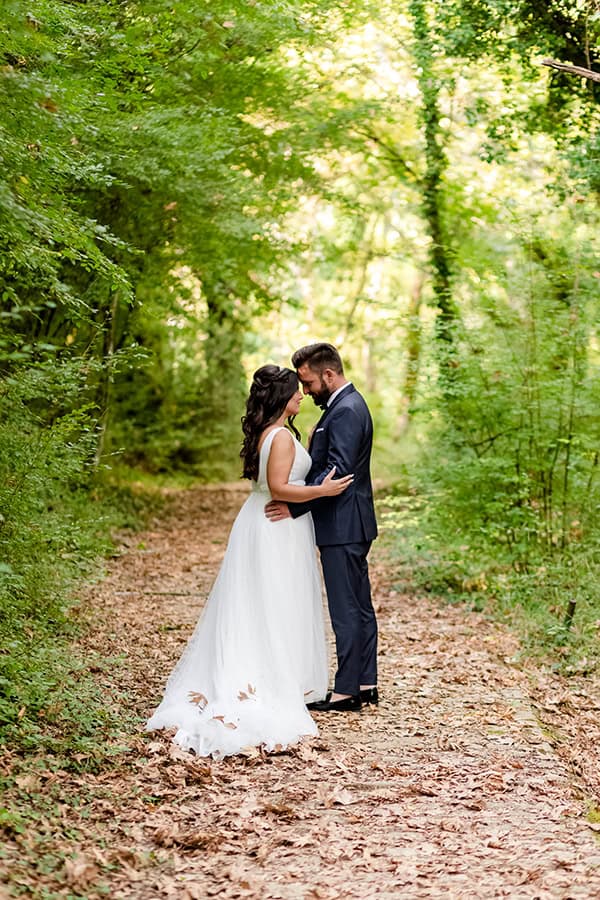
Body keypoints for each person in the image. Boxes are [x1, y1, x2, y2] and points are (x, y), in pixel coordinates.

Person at [146, 365, 353, 757]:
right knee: (274, 601)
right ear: (281, 398)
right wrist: (322, 491)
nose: (302, 395)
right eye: (296, 391)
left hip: (262, 521)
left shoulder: (273, 434)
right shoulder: (280, 438)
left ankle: (274, 677)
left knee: (261, 601)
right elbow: (279, 487)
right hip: (274, 527)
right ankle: (267, 682)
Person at [265, 343, 378, 713]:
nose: (307, 390)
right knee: (359, 605)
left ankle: (347, 692)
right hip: (351, 521)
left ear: (329, 375)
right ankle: (365, 681)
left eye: (309, 381)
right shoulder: (348, 405)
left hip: (343, 523)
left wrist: (296, 505)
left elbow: (338, 474)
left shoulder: (345, 410)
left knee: (347, 608)